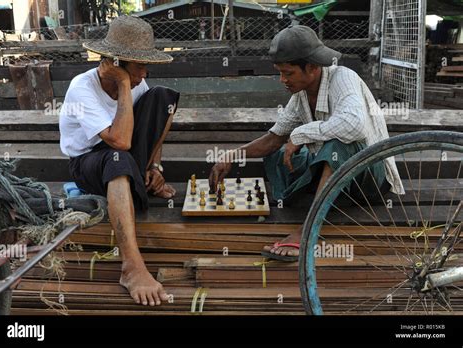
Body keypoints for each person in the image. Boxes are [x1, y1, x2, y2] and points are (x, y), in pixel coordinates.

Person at [209, 25, 404, 261]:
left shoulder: (343, 78)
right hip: (340, 175)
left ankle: (309, 229)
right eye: (280, 72)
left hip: (371, 179)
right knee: (277, 155)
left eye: (288, 73)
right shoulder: (300, 95)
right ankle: (324, 196)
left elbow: (355, 126)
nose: (282, 80)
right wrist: (232, 155)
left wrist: (301, 134)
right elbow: (274, 138)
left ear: (312, 67)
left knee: (336, 146)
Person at [59, 16, 180, 305]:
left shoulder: (139, 81)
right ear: (115, 63)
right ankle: (131, 267)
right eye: (138, 66)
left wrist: (154, 166)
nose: (143, 72)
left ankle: (142, 179)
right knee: (117, 158)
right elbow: (121, 142)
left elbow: (152, 122)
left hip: (122, 155)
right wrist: (125, 84)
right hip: (88, 162)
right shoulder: (82, 88)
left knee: (163, 97)